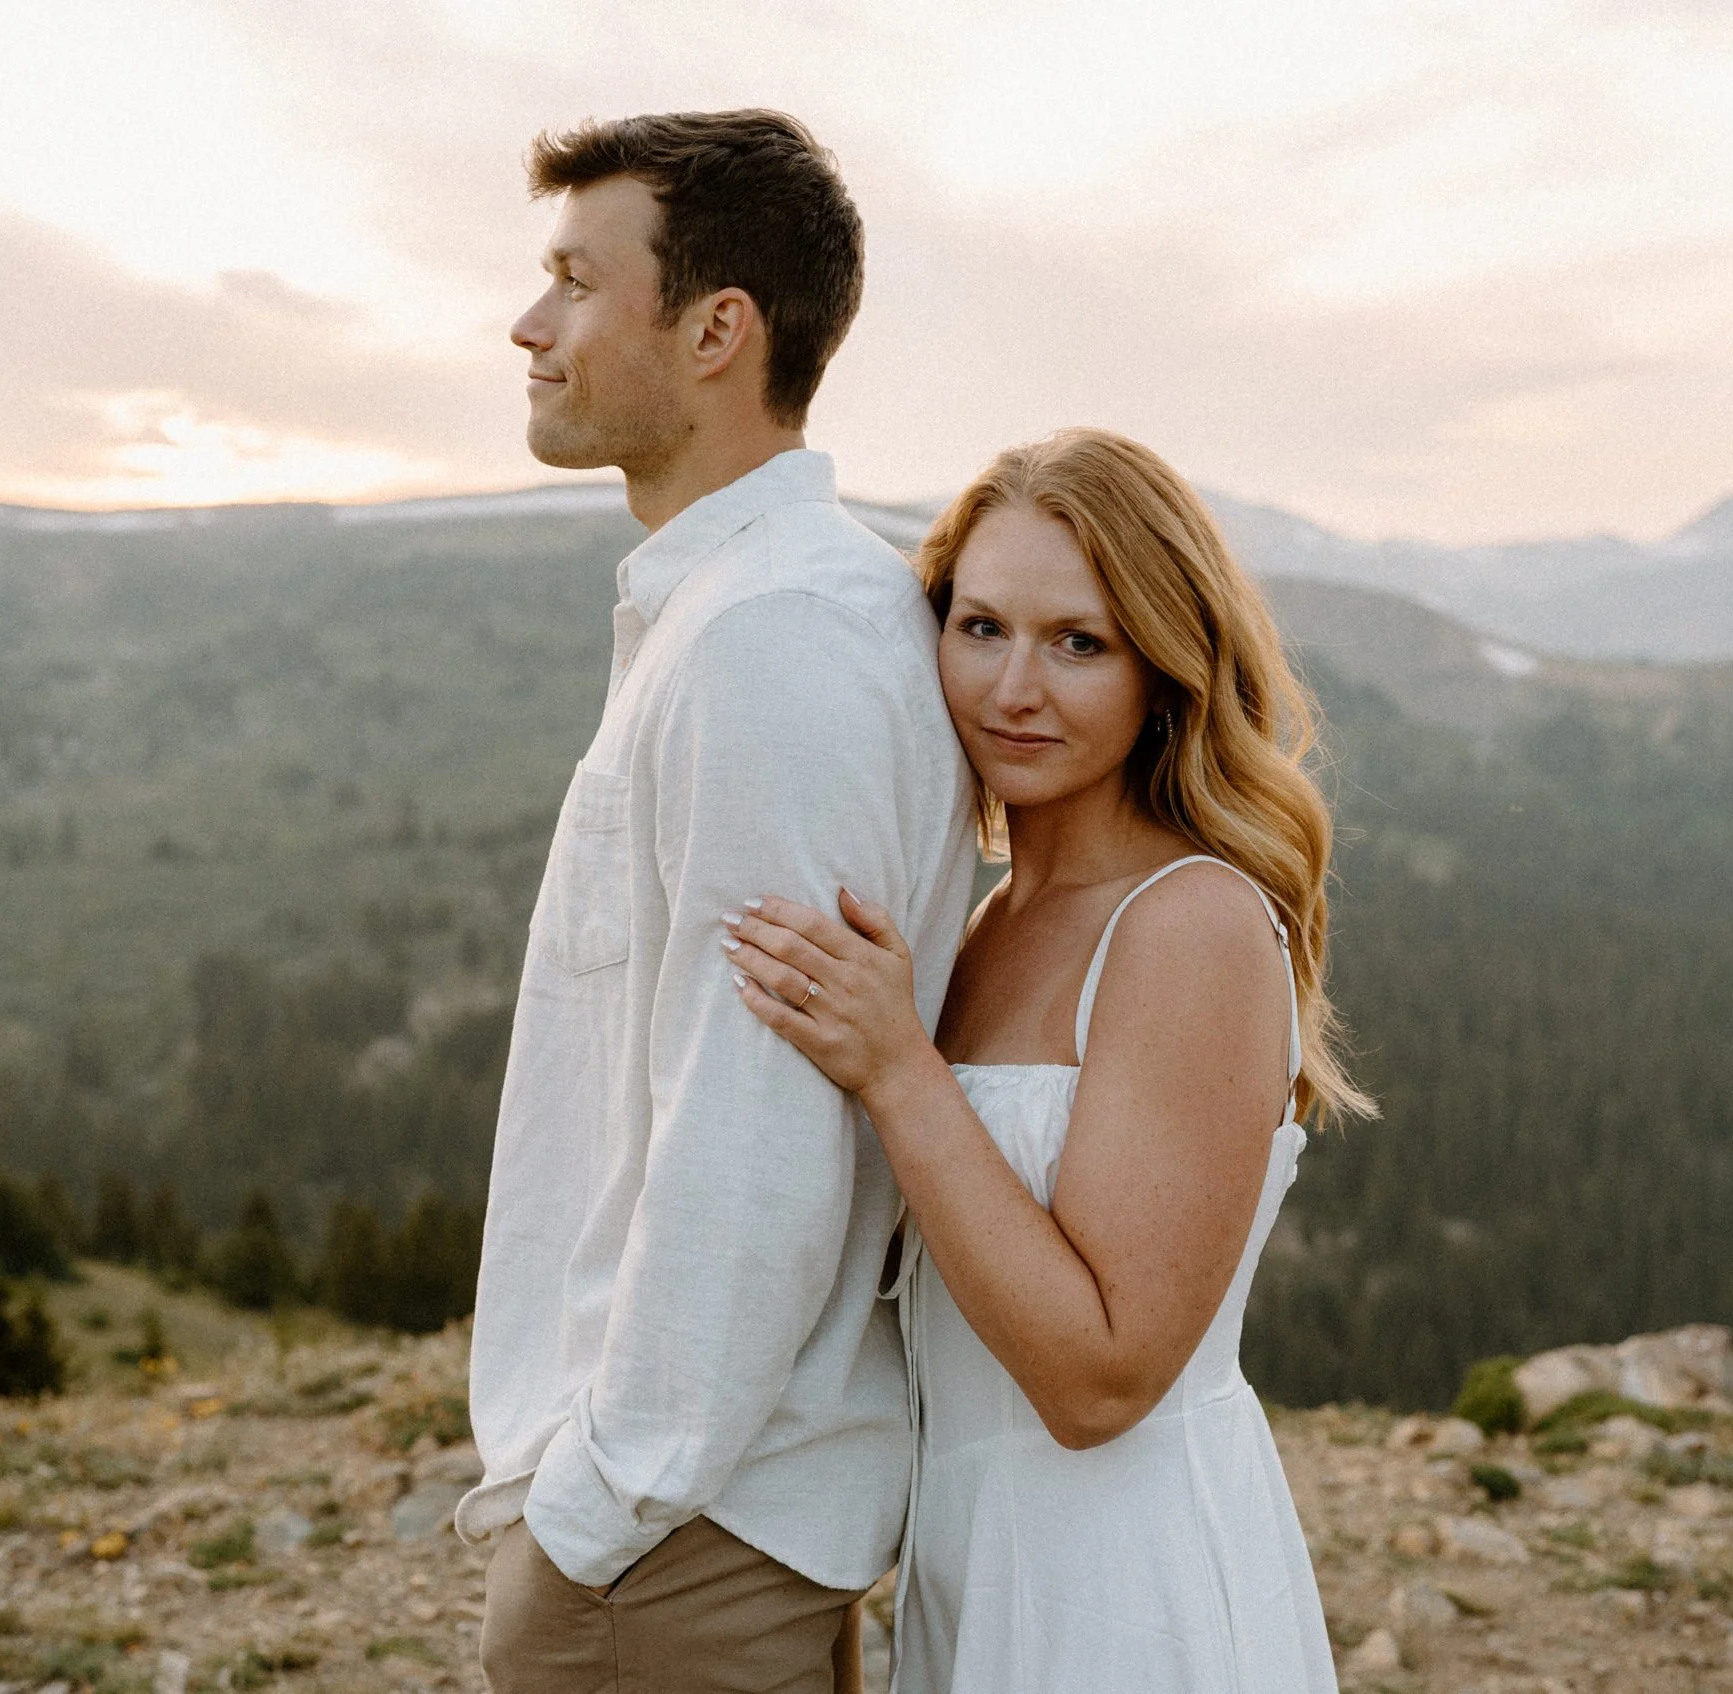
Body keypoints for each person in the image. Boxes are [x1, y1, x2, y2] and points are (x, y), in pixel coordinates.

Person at [457, 110, 978, 1694]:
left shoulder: (775, 646)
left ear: (715, 331)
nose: (529, 324)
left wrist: (607, 1503)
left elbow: (758, 1123)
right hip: (708, 1521)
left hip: (680, 1540)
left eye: (573, 282)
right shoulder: (742, 613)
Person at [728, 428, 1371, 1692]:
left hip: (1125, 1591)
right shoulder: (985, 923)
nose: (1011, 687)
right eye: (980, 627)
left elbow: (1100, 1378)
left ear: (1165, 669)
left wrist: (899, 1068)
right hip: (968, 1568)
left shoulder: (1188, 923)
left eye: (1080, 641)